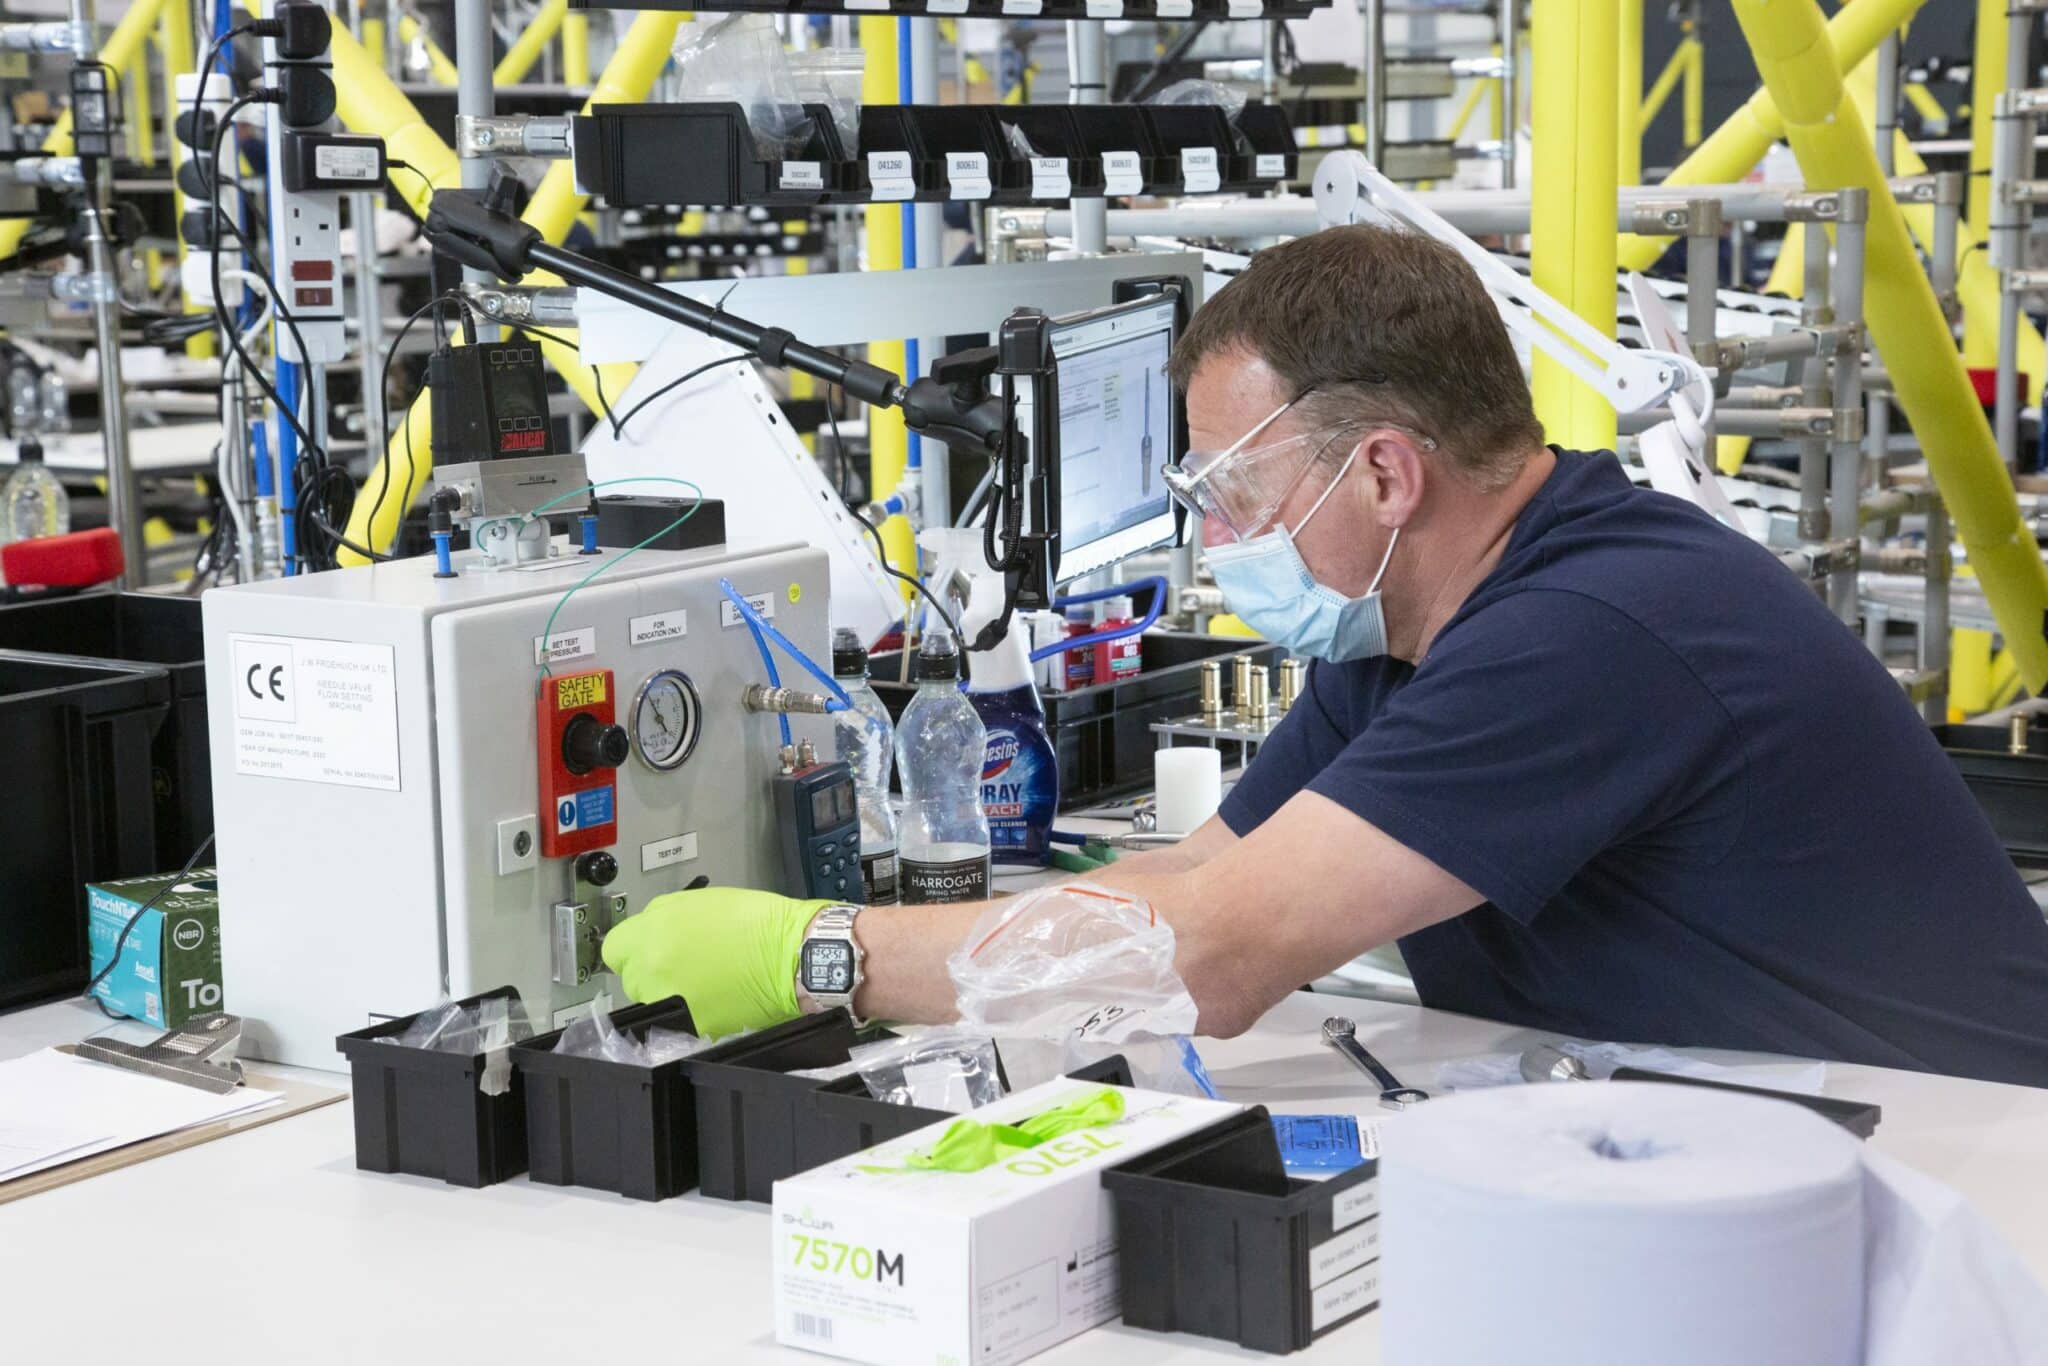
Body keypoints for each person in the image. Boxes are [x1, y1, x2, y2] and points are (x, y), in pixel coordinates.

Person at [604, 224, 2048, 1087]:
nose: (1220, 537)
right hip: (1742, 1123)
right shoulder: (1411, 625)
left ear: (1387, 474)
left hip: (1959, 1171)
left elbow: (1218, 956)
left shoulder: (1588, 632)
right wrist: (929, 942)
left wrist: (820, 955)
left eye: (1234, 491)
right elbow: (1193, 880)